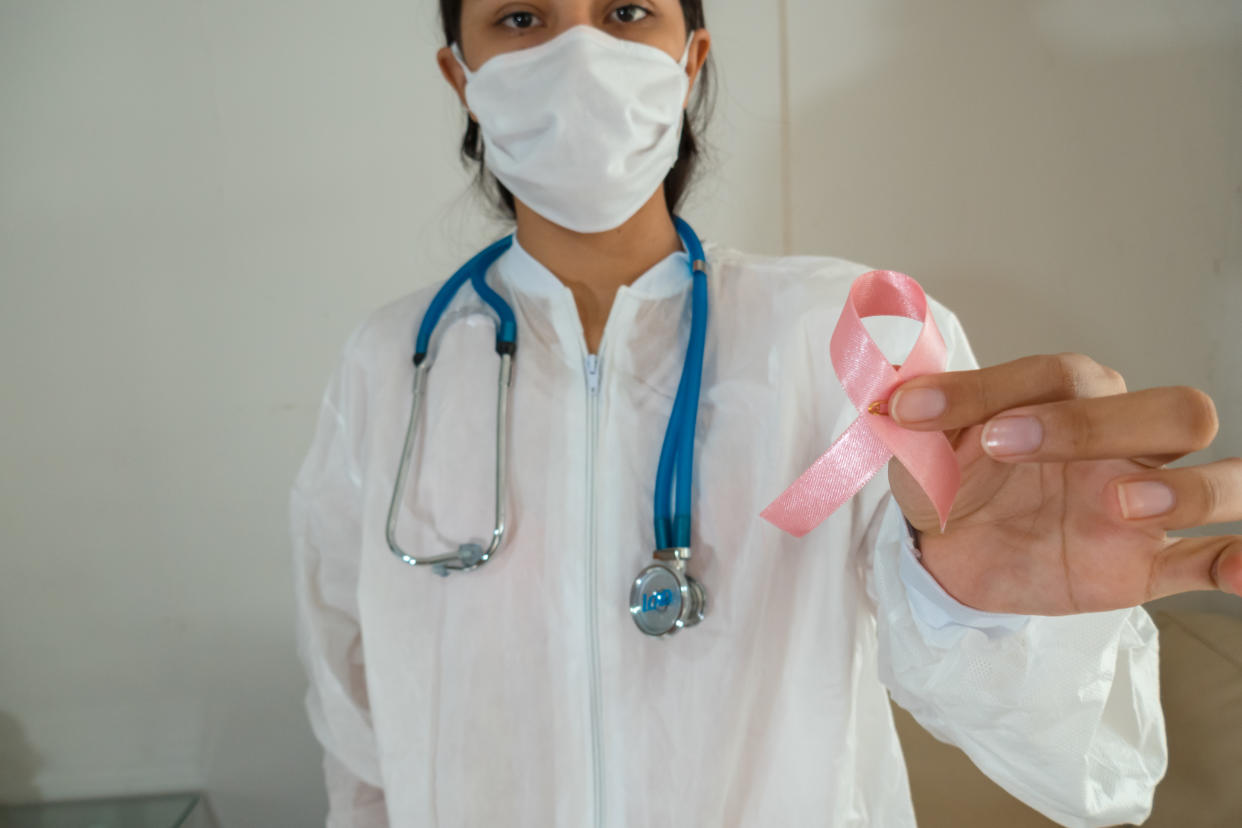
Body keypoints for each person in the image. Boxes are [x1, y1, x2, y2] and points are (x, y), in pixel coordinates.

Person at [289, 1, 1241, 826]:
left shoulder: (856, 344)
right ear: (461, 73)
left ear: (690, 57)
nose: (577, 55)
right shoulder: (391, 366)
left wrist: (986, 611)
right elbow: (355, 711)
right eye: (521, 19)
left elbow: (1081, 758)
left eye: (625, 13)